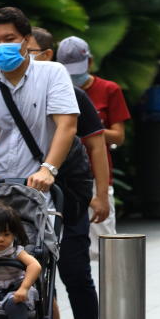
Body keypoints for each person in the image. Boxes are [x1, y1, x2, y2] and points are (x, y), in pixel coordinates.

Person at [0, 10, 102, 319]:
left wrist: (49, 169)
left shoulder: (51, 74)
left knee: (39, 273)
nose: (1, 47)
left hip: (36, 195)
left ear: (26, 40)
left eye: (8, 38)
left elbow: (67, 125)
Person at [26, 28, 109, 319]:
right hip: (22, 194)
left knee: (75, 271)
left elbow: (95, 144)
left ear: (48, 56)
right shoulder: (0, 92)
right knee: (34, 273)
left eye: (31, 51)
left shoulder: (72, 94)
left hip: (69, 192)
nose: (24, 57)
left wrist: (101, 194)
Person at [56, 35, 131, 263]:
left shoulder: (108, 89)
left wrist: (85, 129)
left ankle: (108, 296)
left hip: (96, 175)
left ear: (90, 62)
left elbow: (118, 135)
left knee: (103, 248)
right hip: (63, 177)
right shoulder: (56, 89)